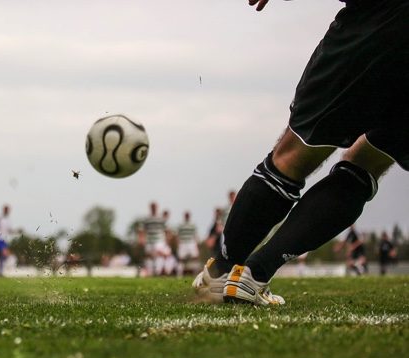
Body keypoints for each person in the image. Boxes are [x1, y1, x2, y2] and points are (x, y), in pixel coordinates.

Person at [194, 0, 408, 305]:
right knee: (366, 165)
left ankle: (222, 272)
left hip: (378, 20)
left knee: (291, 157)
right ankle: (254, 275)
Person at [137, 202, 170, 276]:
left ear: (157, 208)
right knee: (149, 255)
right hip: (149, 240)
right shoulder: (146, 219)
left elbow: (167, 229)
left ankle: (158, 271)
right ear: (150, 208)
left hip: (159, 240)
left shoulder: (161, 218)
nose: (153, 208)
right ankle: (150, 271)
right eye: (152, 207)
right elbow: (141, 230)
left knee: (159, 254)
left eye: (154, 207)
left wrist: (167, 240)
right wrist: (141, 239)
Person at [176, 211, 200, 276]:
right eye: (186, 215)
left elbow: (195, 235)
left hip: (191, 242)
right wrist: (178, 244)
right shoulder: (180, 225)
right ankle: (179, 275)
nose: (187, 216)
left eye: (188, 215)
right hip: (183, 243)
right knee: (181, 259)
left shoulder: (192, 225)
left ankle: (196, 274)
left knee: (195, 258)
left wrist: (196, 244)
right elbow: (178, 235)